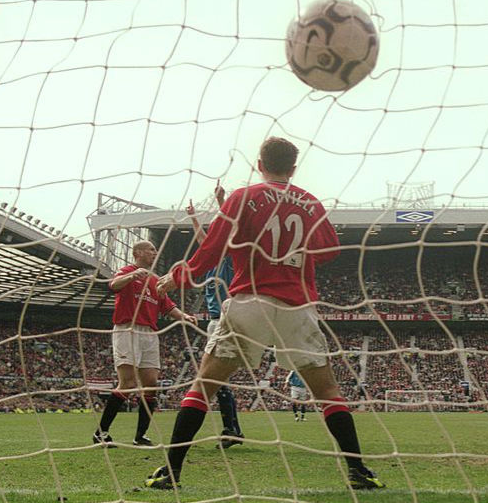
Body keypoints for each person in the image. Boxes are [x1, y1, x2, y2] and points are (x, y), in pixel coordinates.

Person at [147, 137, 384, 490]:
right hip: (297, 305)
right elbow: (332, 248)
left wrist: (178, 276)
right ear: (293, 168)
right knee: (328, 391)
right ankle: (358, 471)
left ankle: (170, 472)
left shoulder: (242, 197)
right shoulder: (309, 201)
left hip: (250, 301)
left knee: (203, 387)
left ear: (260, 164)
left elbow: (211, 250)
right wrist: (297, 258)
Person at [93, 241, 198, 448]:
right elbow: (113, 285)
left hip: (150, 333)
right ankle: (101, 433)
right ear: (138, 253)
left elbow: (167, 307)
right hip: (128, 329)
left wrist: (184, 316)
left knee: (151, 384)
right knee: (128, 383)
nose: (155, 253)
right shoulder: (127, 271)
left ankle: (140, 436)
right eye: (151, 250)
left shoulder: (155, 280)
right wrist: (132, 276)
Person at [186, 185, 244, 449]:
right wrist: (193, 217)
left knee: (211, 376)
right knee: (215, 377)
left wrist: (222, 200)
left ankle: (232, 429)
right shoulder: (210, 260)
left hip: (225, 317)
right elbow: (202, 239)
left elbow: (232, 227)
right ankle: (232, 429)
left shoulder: (230, 257)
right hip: (214, 318)